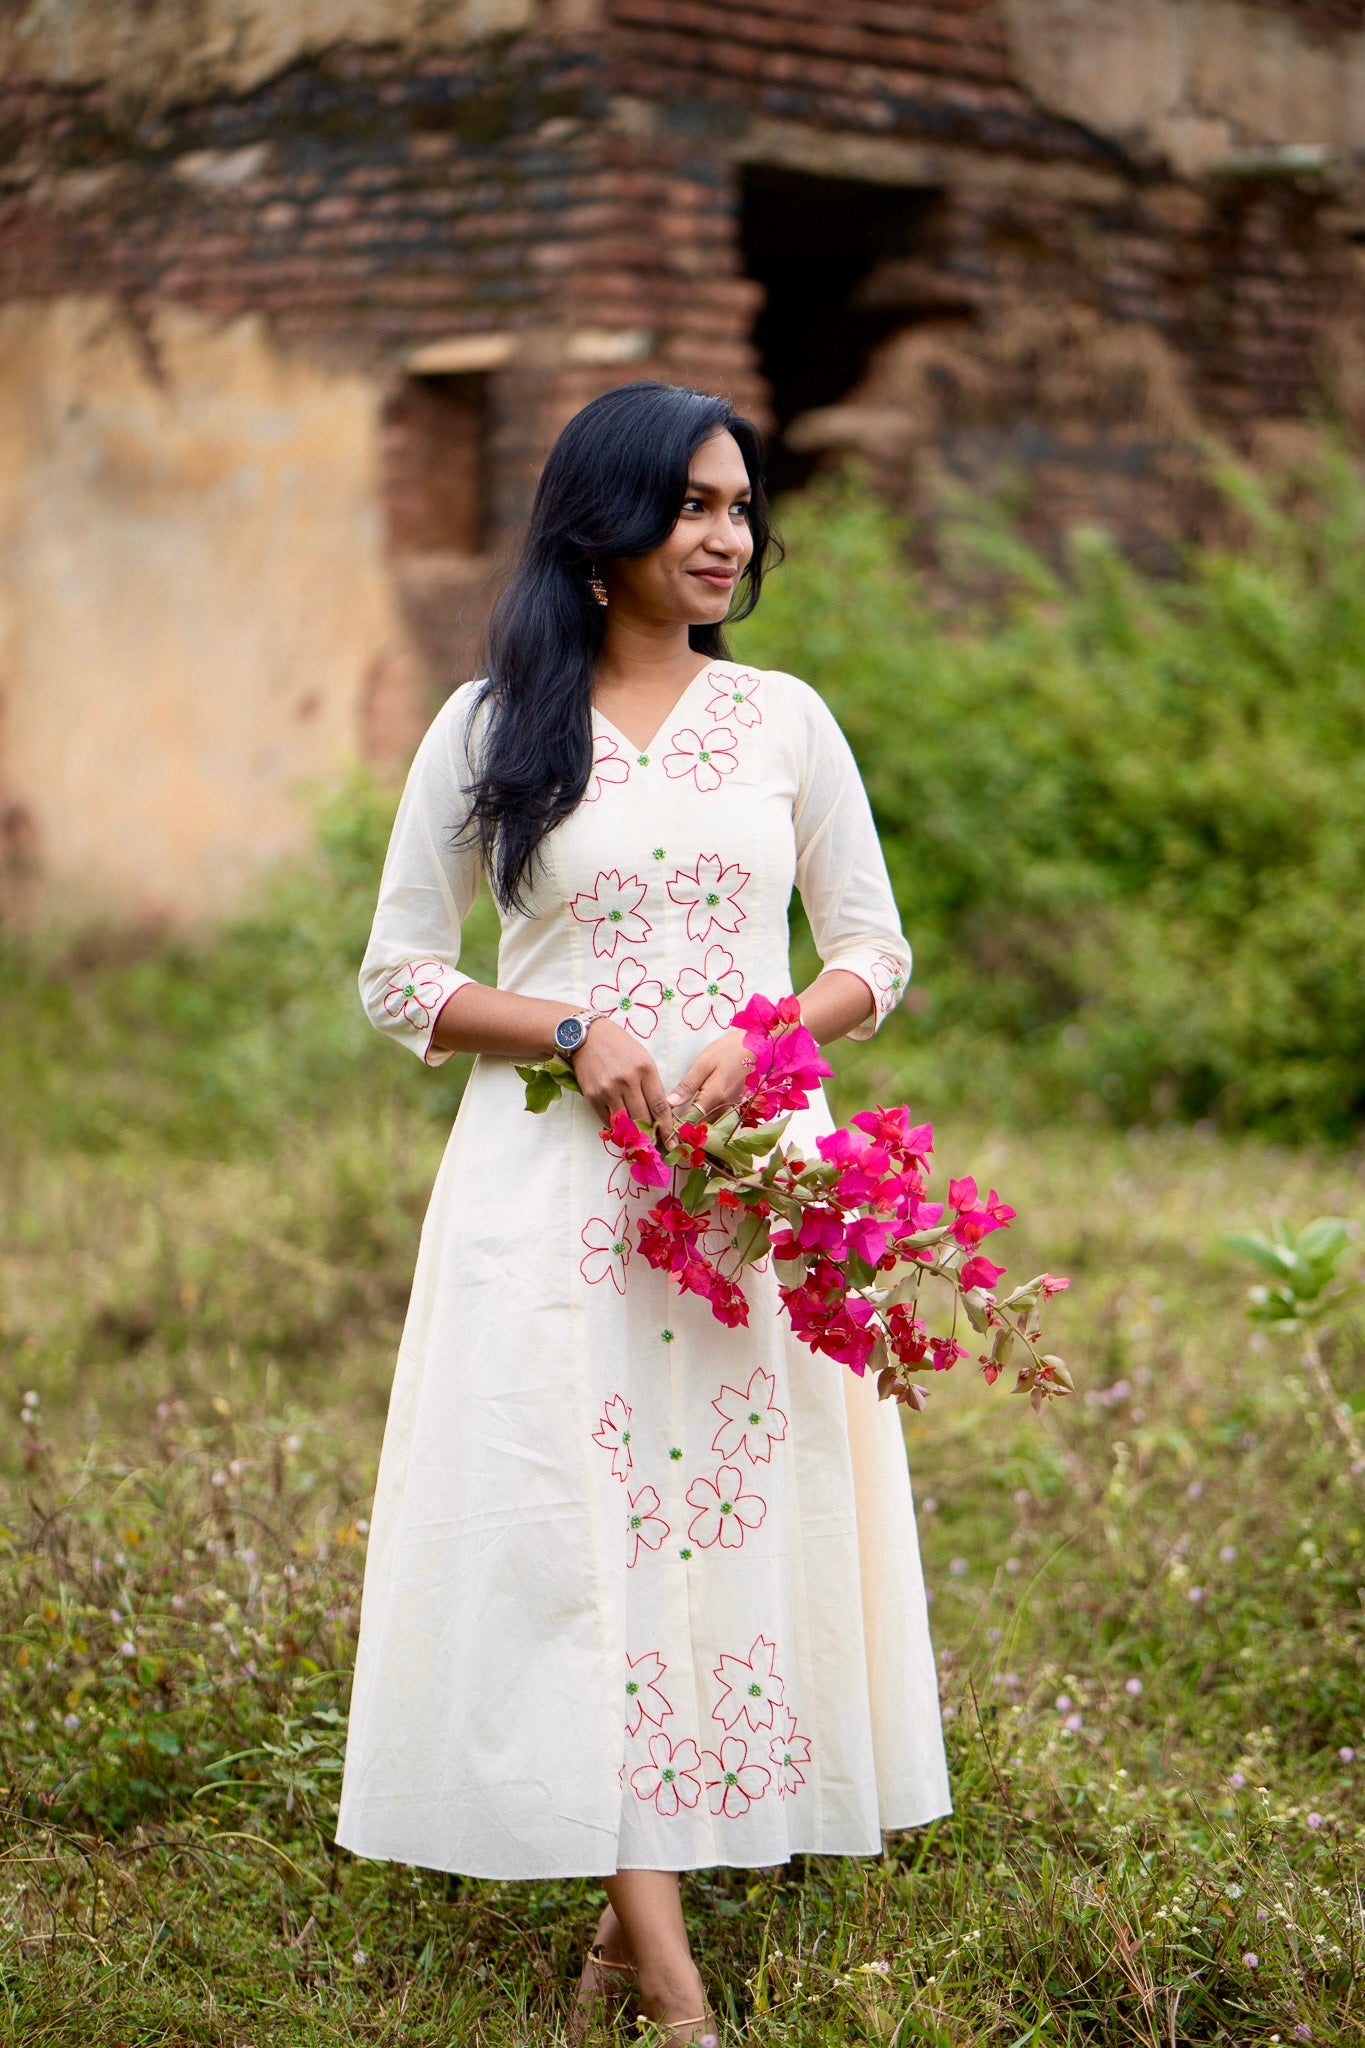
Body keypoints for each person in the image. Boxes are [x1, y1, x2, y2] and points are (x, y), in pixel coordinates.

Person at [334, 381, 949, 2043]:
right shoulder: (487, 728)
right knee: (576, 1536)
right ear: (600, 525)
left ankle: (629, 1926)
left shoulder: (786, 722)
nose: (726, 536)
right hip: (549, 1192)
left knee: (726, 1533)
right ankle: (673, 1993)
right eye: (691, 505)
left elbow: (873, 951)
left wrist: (772, 1033)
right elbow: (398, 975)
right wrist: (566, 1030)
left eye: (739, 506)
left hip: (752, 1195)